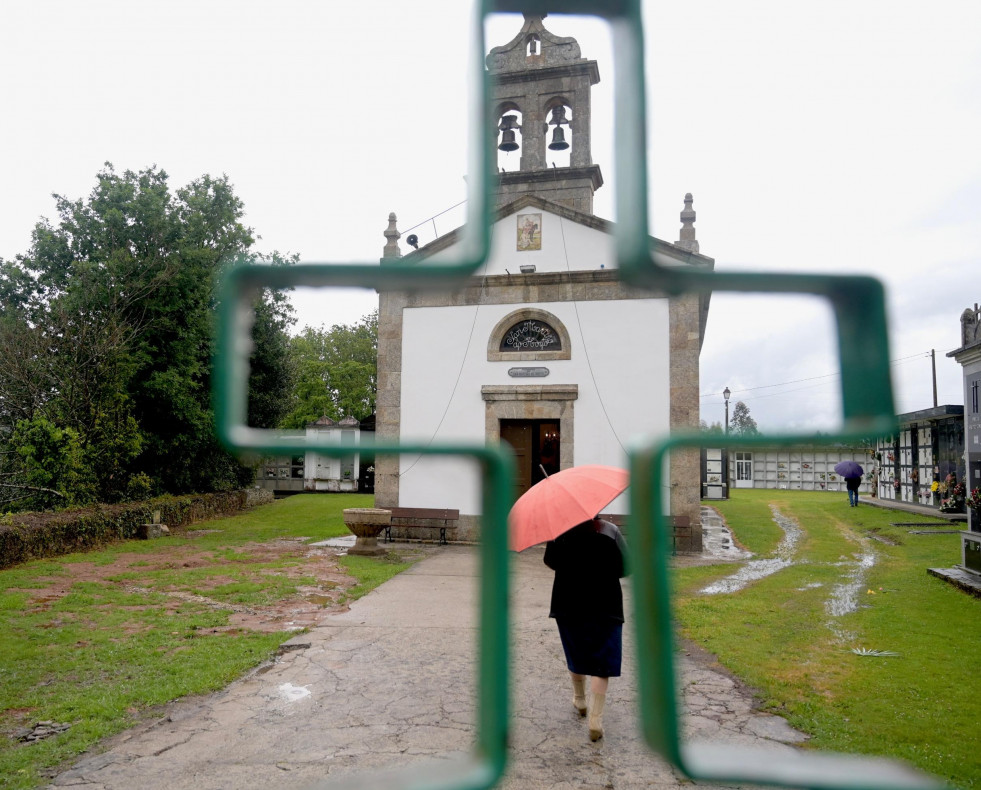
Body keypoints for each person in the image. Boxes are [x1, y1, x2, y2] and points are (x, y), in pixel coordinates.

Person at [543, 518, 628, 742]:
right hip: (605, 604)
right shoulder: (610, 531)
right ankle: (595, 720)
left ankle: (580, 700)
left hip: (567, 603)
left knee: (576, 652)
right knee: (602, 663)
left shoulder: (559, 530)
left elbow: (550, 561)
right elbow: (626, 567)